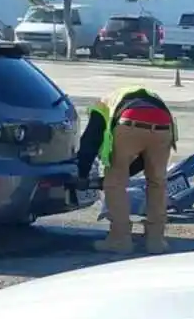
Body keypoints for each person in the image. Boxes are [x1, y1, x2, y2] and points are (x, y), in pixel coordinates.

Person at [75, 84, 177, 253]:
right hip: (164, 125)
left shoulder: (101, 106)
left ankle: (119, 239)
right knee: (157, 183)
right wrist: (128, 172)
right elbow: (143, 160)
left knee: (115, 184)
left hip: (129, 122)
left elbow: (89, 143)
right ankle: (156, 240)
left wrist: (82, 175)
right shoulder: (146, 95)